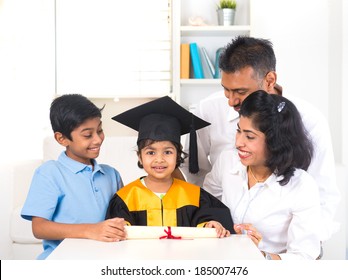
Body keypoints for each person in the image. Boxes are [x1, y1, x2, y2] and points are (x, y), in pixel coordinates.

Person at [179, 36, 340, 243]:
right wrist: (213, 221)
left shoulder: (310, 119)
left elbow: (323, 193)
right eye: (226, 89)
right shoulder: (208, 110)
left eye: (241, 92)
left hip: (285, 247)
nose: (231, 101)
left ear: (270, 80)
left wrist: (306, 249)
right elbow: (197, 175)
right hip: (225, 240)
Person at [204, 90, 321, 259]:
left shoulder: (302, 186)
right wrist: (212, 224)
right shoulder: (227, 161)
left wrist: (260, 256)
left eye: (250, 137)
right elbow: (206, 204)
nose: (238, 143)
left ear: (276, 141)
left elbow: (304, 257)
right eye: (239, 131)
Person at [105, 96, 233, 237]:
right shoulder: (126, 198)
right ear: (140, 157)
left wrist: (211, 226)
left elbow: (212, 225)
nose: (159, 159)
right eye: (151, 152)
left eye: (167, 152)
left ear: (178, 155)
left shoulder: (196, 197)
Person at [21, 94, 127, 259]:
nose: (98, 139)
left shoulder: (111, 175)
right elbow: (39, 228)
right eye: (87, 135)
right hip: (62, 261)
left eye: (100, 130)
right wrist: (90, 230)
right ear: (61, 138)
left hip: (104, 260)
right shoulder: (49, 173)